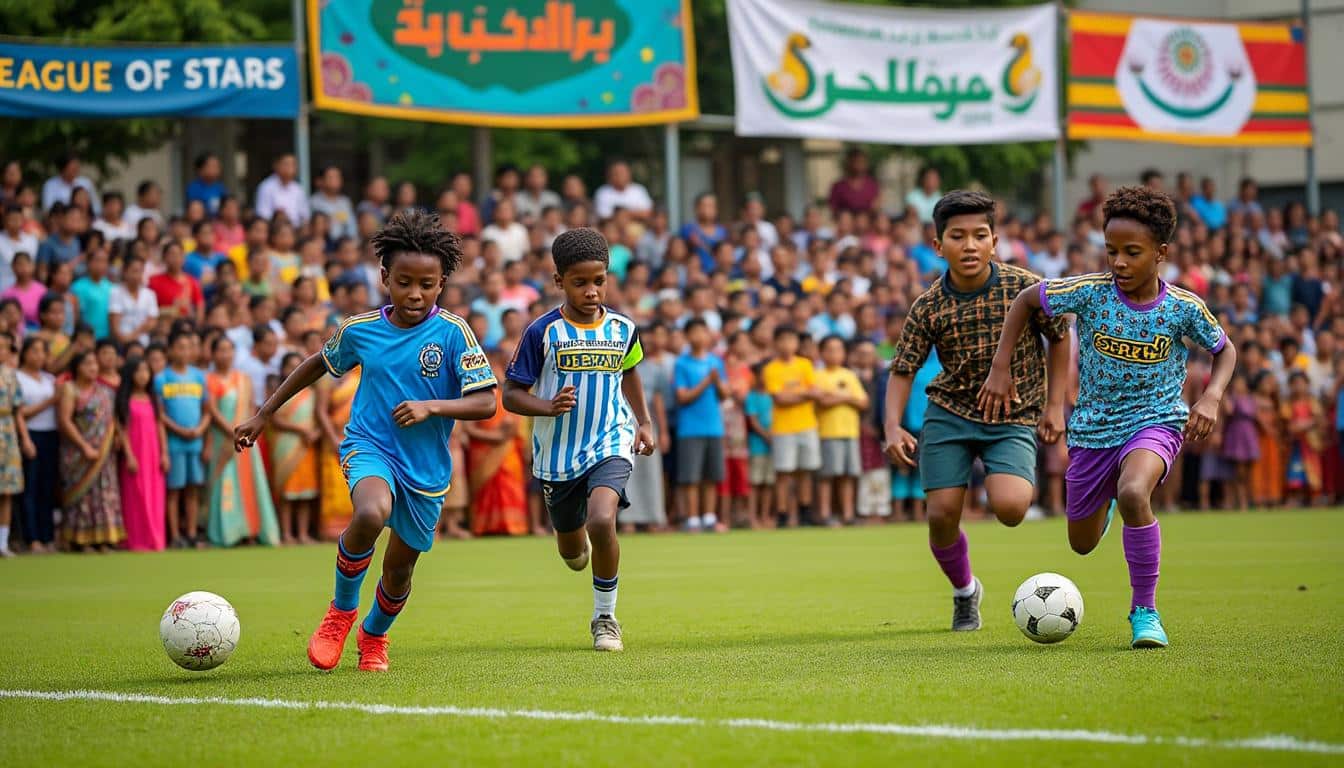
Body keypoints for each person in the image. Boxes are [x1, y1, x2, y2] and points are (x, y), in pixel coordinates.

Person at [235, 209, 497, 672]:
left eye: (426, 284)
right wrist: (263, 413)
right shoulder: (361, 329)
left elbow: (486, 402)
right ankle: (340, 612)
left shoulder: (454, 333)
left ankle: (373, 637)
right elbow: (317, 362)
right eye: (404, 281)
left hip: (426, 468)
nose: (414, 293)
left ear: (441, 285)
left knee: (399, 571)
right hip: (369, 445)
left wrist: (431, 406)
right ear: (384, 278)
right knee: (371, 511)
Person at [983, 185, 1235, 649]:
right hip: (1093, 430)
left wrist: (1211, 397)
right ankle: (1111, 502)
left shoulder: (1183, 307)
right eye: (1112, 250)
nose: (1119, 262)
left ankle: (1145, 612)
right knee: (1081, 543)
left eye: (1132, 252)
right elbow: (1024, 302)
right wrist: (1000, 368)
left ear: (1160, 253)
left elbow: (1225, 350)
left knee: (1136, 490)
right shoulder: (1090, 293)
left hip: (1156, 421)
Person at [885, 190, 1071, 632]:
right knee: (941, 515)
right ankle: (965, 592)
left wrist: (1055, 406)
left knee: (1010, 508)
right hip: (950, 413)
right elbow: (902, 368)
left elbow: (1061, 338)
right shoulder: (928, 305)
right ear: (938, 246)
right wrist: (892, 425)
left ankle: (1009, 488)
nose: (969, 245)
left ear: (995, 242)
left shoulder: (1025, 287)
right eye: (957, 236)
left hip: (1012, 415)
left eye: (979, 235)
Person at [502, 227, 656, 652]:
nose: (592, 291)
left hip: (610, 440)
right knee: (573, 553)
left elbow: (630, 374)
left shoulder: (624, 329)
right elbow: (511, 394)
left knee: (602, 519)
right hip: (557, 456)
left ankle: (605, 618)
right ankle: (575, 541)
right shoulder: (541, 332)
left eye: (599, 281)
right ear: (559, 282)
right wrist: (547, 406)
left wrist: (643, 422)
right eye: (580, 282)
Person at [203, 336, 278, 547]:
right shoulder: (209, 379)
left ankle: (252, 530)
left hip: (245, 439)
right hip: (223, 439)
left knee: (249, 482)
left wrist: (245, 432)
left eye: (229, 349)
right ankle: (226, 533)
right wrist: (232, 431)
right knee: (226, 483)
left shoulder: (243, 379)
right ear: (213, 354)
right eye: (221, 350)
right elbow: (212, 410)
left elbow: (253, 409)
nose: (225, 354)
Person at [57, 350, 123, 551]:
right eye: (88, 364)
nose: (93, 368)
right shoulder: (69, 390)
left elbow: (112, 419)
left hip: (104, 452)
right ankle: (80, 539)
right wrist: (84, 446)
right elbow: (65, 421)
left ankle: (103, 538)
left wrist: (117, 437)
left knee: (104, 493)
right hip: (78, 452)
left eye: (95, 364)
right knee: (83, 495)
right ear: (77, 367)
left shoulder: (105, 392)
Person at [464, 351, 529, 536]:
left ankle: (513, 526)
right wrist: (493, 437)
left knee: (508, 484)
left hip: (508, 450)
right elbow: (469, 429)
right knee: (485, 489)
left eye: (498, 367)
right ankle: (484, 526)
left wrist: (508, 433)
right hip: (483, 449)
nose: (495, 372)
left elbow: (518, 424)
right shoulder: (475, 395)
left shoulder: (509, 396)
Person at [672, 318, 728, 532]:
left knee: (711, 476)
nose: (699, 336)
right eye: (694, 332)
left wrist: (718, 383)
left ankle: (709, 517)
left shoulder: (716, 362)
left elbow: (723, 396)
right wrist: (707, 381)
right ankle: (692, 518)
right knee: (691, 477)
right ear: (687, 336)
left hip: (714, 426)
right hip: (690, 428)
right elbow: (682, 397)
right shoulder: (682, 363)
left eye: (703, 331)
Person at [156, 329, 210, 549]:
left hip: (195, 442)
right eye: (180, 347)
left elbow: (207, 410)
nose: (184, 351)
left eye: (188, 347)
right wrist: (179, 429)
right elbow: (159, 414)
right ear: (170, 350)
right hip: (175, 442)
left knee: (193, 489)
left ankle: (191, 532)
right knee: (175, 490)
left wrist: (200, 431)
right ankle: (175, 534)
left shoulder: (199, 376)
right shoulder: (162, 378)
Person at [762, 325, 820, 528]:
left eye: (791, 340)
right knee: (783, 473)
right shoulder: (771, 368)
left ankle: (804, 513)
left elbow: (814, 392)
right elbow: (780, 399)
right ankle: (783, 514)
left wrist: (795, 395)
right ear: (776, 343)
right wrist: (802, 393)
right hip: (783, 428)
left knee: (806, 470)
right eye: (783, 340)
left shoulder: (805, 364)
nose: (787, 345)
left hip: (807, 425)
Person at [267, 352, 321, 544]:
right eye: (290, 366)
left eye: (299, 365)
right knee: (287, 492)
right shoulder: (280, 391)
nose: (294, 370)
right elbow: (273, 419)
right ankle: (287, 533)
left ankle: (303, 533)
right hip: (287, 442)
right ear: (283, 369)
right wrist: (300, 430)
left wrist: (315, 432)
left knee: (305, 492)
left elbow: (318, 416)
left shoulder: (312, 392)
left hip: (307, 445)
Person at [115, 356, 168, 552]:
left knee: (154, 495)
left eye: (146, 371)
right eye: (138, 371)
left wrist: (164, 453)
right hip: (135, 453)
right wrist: (128, 454)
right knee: (135, 495)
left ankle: (155, 538)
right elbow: (121, 428)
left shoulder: (153, 399)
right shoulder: (124, 399)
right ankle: (136, 539)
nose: (143, 375)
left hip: (153, 453)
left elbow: (160, 425)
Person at [815, 335, 868, 525]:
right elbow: (823, 401)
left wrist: (837, 396)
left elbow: (863, 401)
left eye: (838, 349)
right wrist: (846, 397)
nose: (834, 353)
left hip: (850, 432)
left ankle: (847, 514)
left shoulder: (849, 375)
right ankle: (825, 514)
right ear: (821, 353)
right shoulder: (818, 376)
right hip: (828, 432)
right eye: (829, 349)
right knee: (827, 475)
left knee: (848, 475)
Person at [16, 338, 57, 552]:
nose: (39, 356)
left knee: (47, 488)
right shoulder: (18, 378)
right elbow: (20, 412)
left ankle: (47, 535)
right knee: (30, 488)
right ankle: (32, 538)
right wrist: (26, 440)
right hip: (32, 434)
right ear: (25, 353)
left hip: (51, 435)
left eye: (43, 352)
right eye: (35, 351)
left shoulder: (49, 379)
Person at [315, 364, 361, 541]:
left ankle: (357, 528)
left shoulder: (361, 375)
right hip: (334, 437)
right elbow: (321, 411)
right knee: (335, 482)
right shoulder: (328, 378)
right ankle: (332, 530)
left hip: (358, 438)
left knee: (357, 481)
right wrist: (334, 438)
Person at [0, 333, 27, 556]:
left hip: (7, 433)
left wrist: (25, 438)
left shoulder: (11, 376)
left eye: (4, 348)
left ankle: (3, 543)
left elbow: (18, 411)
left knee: (7, 490)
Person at [1218, 371, 1259, 511]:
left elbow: (1254, 414)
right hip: (1236, 434)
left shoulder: (1251, 398)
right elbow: (1229, 411)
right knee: (1238, 471)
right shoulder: (1232, 398)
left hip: (1248, 435)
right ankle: (1241, 502)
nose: (1238, 385)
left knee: (1248, 471)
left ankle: (1249, 499)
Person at [743, 362, 774, 529]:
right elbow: (753, 422)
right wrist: (767, 436)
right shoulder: (752, 397)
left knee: (769, 483)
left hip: (774, 444)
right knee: (755, 483)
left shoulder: (772, 395)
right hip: (758, 445)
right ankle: (752, 517)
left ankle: (765, 516)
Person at [108, 256, 159, 347]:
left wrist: (132, 335)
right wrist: (125, 339)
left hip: (144, 344)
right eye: (134, 271)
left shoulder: (150, 294)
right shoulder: (116, 292)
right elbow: (115, 326)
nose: (137, 276)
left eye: (140, 271)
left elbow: (152, 322)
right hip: (122, 343)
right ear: (125, 272)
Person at [255, 154, 310, 225]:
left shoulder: (298, 189)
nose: (290, 168)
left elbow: (305, 216)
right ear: (276, 165)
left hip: (296, 232)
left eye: (293, 164)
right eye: (286, 164)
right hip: (274, 230)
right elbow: (263, 217)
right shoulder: (266, 187)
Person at [311, 166, 356, 241]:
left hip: (343, 244)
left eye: (337, 177)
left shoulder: (345, 202)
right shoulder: (314, 202)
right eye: (330, 177)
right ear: (321, 181)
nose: (334, 180)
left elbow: (352, 227)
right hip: (324, 244)